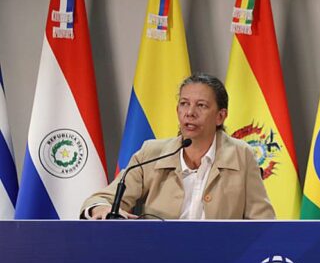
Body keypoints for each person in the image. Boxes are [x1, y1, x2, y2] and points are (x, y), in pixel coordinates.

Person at [81, 73, 275, 220]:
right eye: (184, 104)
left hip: (222, 260)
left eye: (201, 105)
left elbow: (262, 222)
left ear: (220, 116)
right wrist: (102, 209)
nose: (190, 113)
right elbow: (100, 200)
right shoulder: (151, 153)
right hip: (159, 256)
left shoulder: (241, 155)